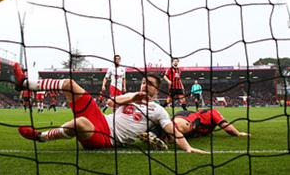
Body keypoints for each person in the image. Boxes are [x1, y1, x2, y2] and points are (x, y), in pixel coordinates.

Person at [13, 63, 206, 153]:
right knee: (70, 84)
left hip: (107, 139)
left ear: (156, 89)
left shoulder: (158, 110)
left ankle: (41, 137)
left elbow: (172, 130)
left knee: (80, 123)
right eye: (143, 82)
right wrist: (133, 97)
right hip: (100, 120)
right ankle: (25, 82)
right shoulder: (131, 96)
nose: (144, 86)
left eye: (149, 84)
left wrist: (188, 148)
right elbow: (112, 102)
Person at [172, 109, 250, 138]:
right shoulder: (214, 112)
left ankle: (163, 135)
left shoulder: (208, 128)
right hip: (190, 117)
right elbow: (225, 126)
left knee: (175, 134)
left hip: (189, 119)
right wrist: (238, 133)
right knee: (182, 127)